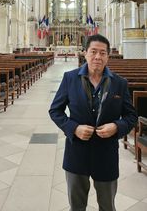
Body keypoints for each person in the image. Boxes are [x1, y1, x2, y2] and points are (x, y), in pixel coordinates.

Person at [49, 34, 137, 211]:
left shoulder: (119, 83)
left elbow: (131, 116)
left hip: (106, 154)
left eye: (102, 53)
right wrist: (74, 128)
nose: (98, 57)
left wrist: (116, 127)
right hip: (77, 153)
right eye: (94, 52)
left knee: (107, 205)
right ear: (85, 53)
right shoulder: (70, 78)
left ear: (108, 56)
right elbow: (55, 111)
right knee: (76, 205)